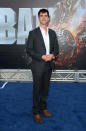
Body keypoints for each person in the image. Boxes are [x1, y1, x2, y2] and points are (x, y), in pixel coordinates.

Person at [26, 9, 59, 123]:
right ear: (39, 18)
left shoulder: (52, 33)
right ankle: (35, 112)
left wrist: (52, 55)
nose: (44, 18)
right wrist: (42, 56)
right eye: (41, 16)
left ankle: (43, 108)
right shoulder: (33, 33)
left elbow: (56, 49)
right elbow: (29, 50)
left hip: (49, 65)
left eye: (46, 16)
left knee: (45, 89)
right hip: (37, 65)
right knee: (37, 89)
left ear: (48, 18)